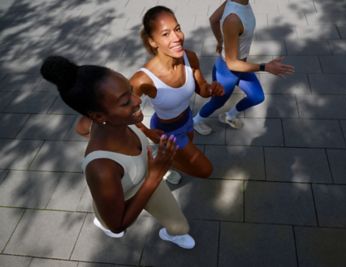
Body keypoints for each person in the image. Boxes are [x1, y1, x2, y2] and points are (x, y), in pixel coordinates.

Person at [40, 56, 195, 249]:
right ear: (98, 116)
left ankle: (171, 234)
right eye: (125, 102)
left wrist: (146, 132)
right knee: (110, 221)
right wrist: (155, 175)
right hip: (134, 188)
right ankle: (101, 218)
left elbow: (81, 127)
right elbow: (118, 225)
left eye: (130, 91)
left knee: (180, 227)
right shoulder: (101, 169)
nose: (138, 100)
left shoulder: (113, 120)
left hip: (146, 176)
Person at [130, 6, 224, 179]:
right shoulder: (143, 79)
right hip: (166, 131)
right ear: (152, 41)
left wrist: (212, 89)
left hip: (188, 119)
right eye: (166, 34)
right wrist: (145, 131)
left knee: (184, 152)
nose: (177, 38)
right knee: (205, 170)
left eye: (178, 29)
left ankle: (166, 159)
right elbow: (121, 111)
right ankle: (158, 163)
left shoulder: (190, 57)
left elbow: (201, 89)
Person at [192, 0, 295, 135]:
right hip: (227, 72)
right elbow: (232, 63)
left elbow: (213, 20)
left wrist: (221, 41)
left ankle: (229, 116)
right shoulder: (233, 19)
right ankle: (195, 121)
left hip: (241, 67)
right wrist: (266, 67)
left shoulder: (238, 3)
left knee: (257, 96)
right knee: (216, 103)